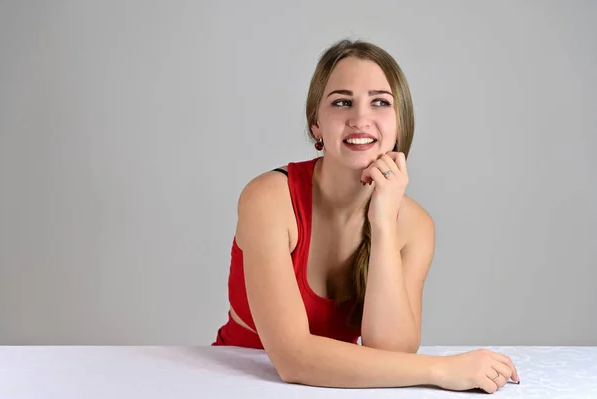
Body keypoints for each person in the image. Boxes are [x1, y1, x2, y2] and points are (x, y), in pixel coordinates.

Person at [212, 38, 520, 394]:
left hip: (342, 386)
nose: (360, 119)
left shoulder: (415, 226)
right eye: (342, 102)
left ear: (399, 124)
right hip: (238, 382)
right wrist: (443, 370)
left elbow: (391, 352)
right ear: (316, 124)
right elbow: (292, 358)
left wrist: (384, 223)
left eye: (380, 102)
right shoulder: (269, 198)